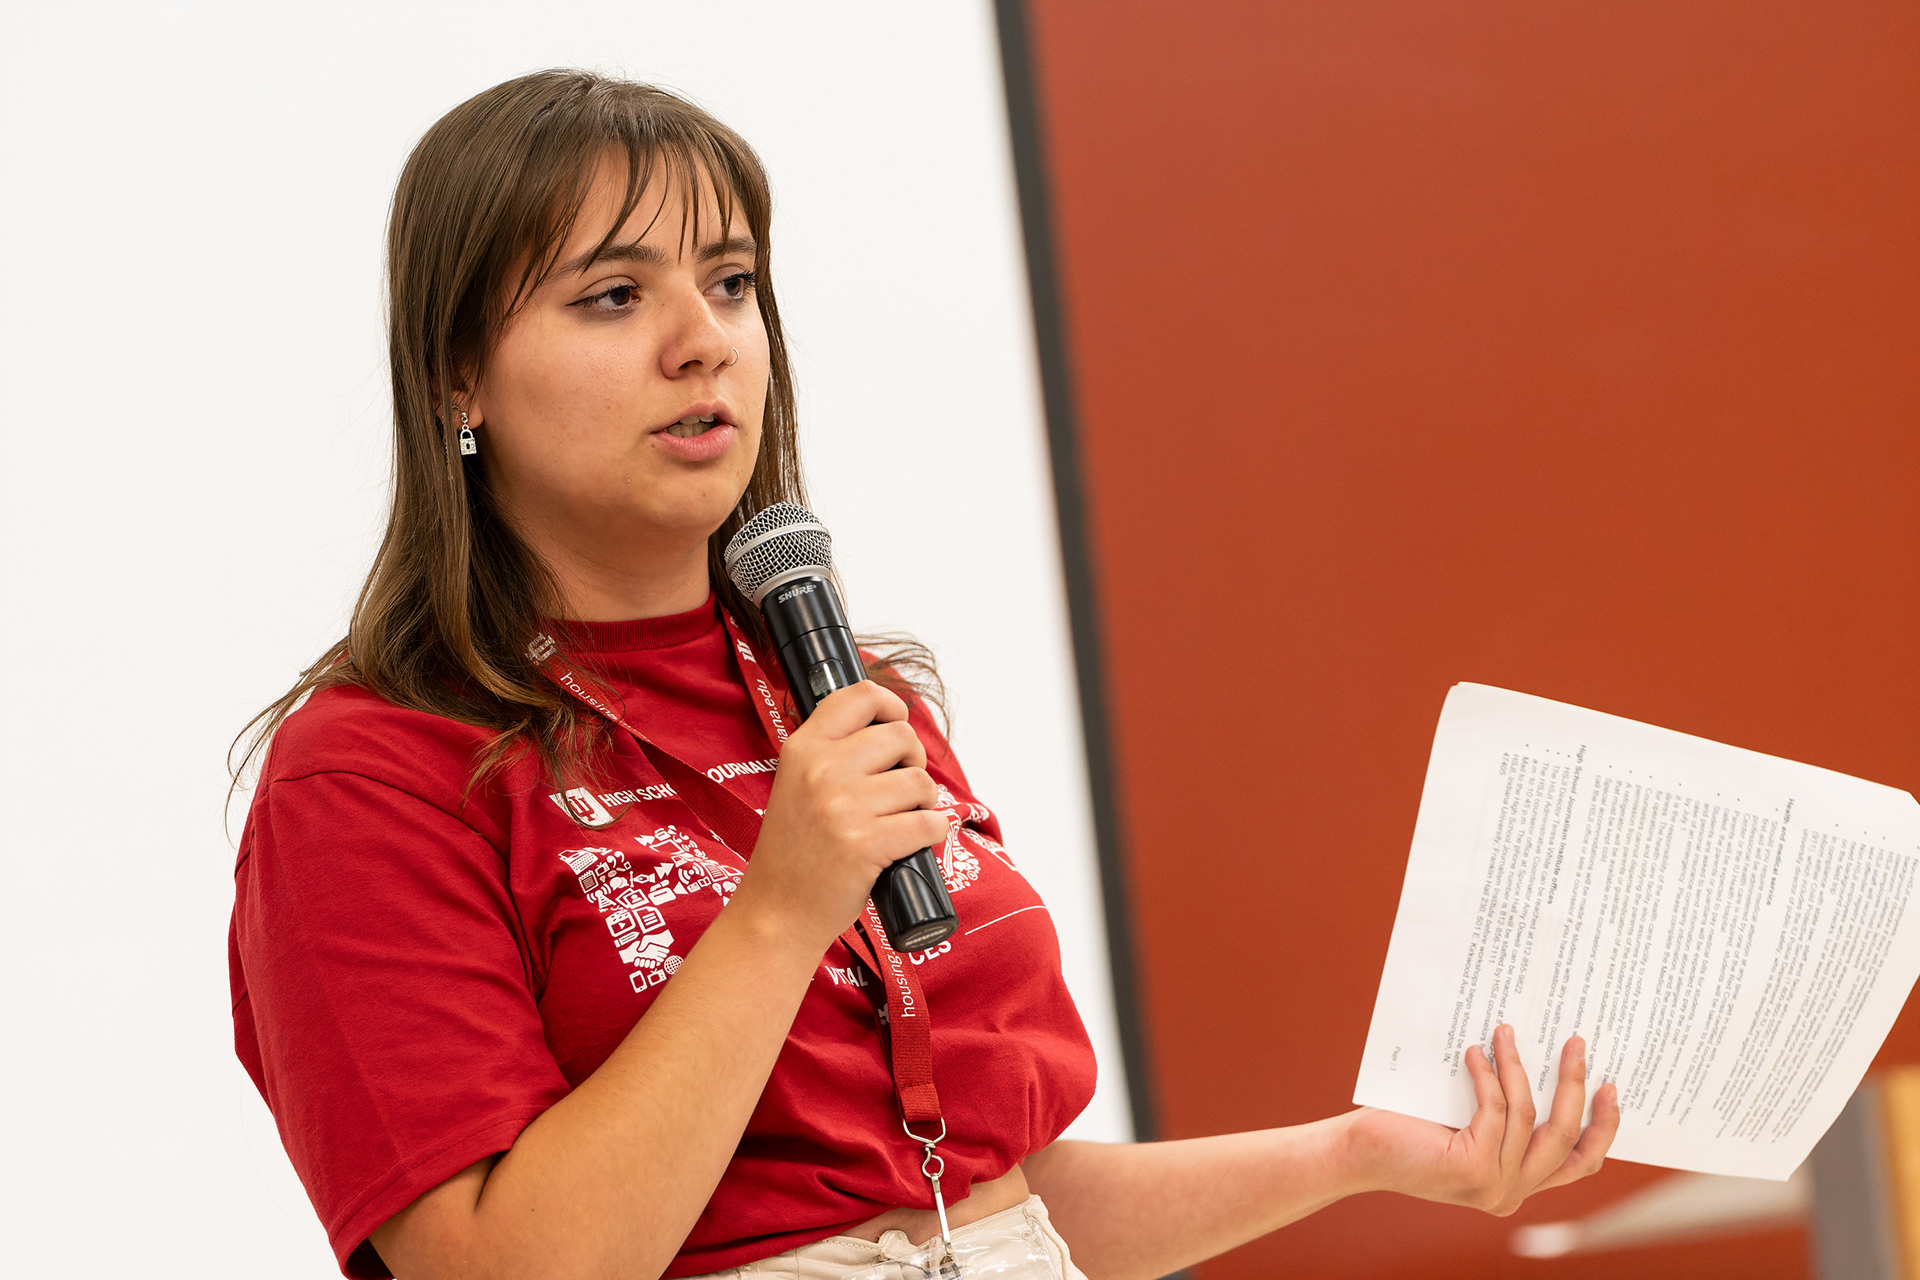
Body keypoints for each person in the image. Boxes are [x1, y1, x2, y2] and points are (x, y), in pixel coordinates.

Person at [229, 70, 1619, 1280]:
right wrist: (780, 914)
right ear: (458, 376)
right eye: (612, 295)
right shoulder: (373, 771)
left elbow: (990, 1202)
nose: (702, 338)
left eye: (729, 282)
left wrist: (1356, 1154)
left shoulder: (838, 698)